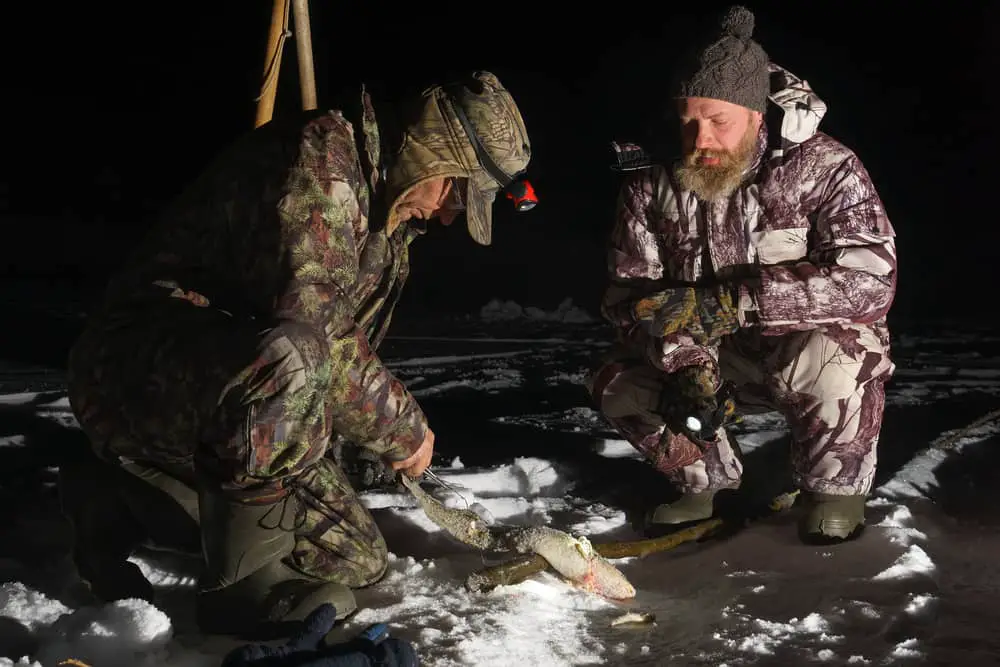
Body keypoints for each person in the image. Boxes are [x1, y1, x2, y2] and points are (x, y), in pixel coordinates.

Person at [60, 70, 533, 635]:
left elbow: (344, 354)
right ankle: (238, 591)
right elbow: (317, 334)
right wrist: (401, 427)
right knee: (296, 352)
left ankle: (122, 494)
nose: (452, 214)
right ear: (431, 150)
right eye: (456, 191)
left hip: (239, 404)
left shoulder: (386, 217)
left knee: (355, 558)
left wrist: (350, 442)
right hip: (142, 374)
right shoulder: (319, 165)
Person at [589, 6, 897, 544]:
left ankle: (833, 491)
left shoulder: (827, 168)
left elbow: (870, 280)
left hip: (798, 349)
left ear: (757, 116)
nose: (699, 138)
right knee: (617, 383)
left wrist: (740, 302)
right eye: (688, 120)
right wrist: (685, 363)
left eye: (718, 121)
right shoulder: (650, 184)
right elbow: (626, 294)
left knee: (840, 358)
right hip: (714, 361)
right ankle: (706, 484)